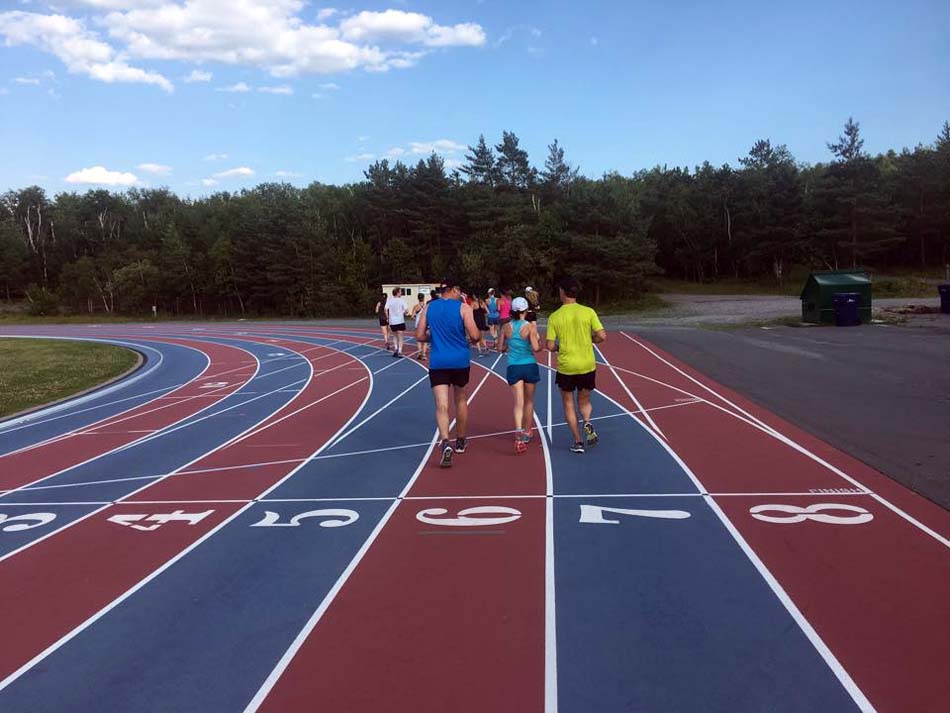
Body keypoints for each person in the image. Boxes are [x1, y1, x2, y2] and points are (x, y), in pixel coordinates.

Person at [415, 277, 481, 468]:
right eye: (458, 290)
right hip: (459, 361)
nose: (460, 293)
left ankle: (445, 442)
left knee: (441, 405)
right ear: (452, 290)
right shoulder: (463, 308)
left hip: (438, 361)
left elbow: (419, 335)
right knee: (460, 399)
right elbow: (476, 335)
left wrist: (433, 337)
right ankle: (460, 440)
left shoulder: (429, 308)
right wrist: (466, 339)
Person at [545, 276, 607, 454]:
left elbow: (549, 346)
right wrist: (590, 339)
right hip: (587, 364)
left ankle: (578, 441)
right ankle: (587, 422)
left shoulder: (555, 316)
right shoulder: (588, 312)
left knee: (568, 404)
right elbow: (602, 336)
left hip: (566, 367)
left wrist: (558, 347)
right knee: (584, 400)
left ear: (563, 293)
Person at [504, 296, 542, 453]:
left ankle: (519, 433)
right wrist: (540, 346)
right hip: (529, 365)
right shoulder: (530, 327)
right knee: (529, 401)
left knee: (518, 402)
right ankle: (527, 432)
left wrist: (510, 346)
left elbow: (500, 347)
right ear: (526, 310)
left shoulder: (506, 327)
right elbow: (535, 347)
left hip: (513, 365)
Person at [386, 287, 407, 359]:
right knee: (400, 337)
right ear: (397, 293)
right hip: (400, 320)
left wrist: (387, 318)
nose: (401, 293)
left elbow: (385, 309)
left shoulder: (389, 300)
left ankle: (395, 349)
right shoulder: (401, 300)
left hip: (392, 321)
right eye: (401, 292)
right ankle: (400, 351)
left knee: (394, 336)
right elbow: (406, 310)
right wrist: (403, 313)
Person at [410, 293, 428, 360]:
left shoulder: (415, 306)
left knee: (419, 340)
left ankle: (419, 353)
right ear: (423, 298)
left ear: (418, 298)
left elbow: (412, 316)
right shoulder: (426, 306)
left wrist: (415, 318)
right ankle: (423, 354)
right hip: (425, 324)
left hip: (418, 324)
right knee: (425, 340)